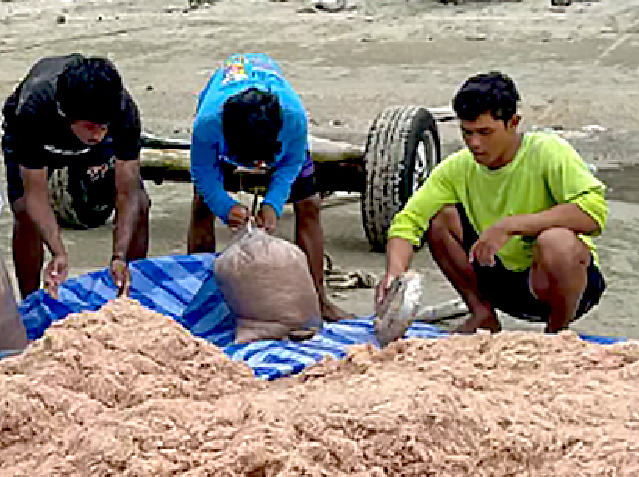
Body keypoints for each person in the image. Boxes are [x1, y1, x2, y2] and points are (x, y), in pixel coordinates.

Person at [377, 71, 607, 333]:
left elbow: (593, 212)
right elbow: (408, 222)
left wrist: (512, 225)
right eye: (467, 133)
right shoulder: (457, 168)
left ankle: (556, 334)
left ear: (513, 122)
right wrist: (394, 274)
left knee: (556, 241)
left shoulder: (549, 152)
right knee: (440, 218)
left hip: (559, 282)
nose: (475, 143)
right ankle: (482, 313)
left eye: (485, 132)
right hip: (498, 275)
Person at [187, 52, 344, 322]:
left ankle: (318, 297)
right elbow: (203, 172)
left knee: (309, 205)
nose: (256, 166)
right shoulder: (209, 124)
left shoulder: (293, 118)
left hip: (280, 141)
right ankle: (205, 296)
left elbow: (291, 163)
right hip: (223, 131)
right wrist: (226, 208)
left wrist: (273, 204)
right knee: (202, 205)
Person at [1, 54, 151, 298]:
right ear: (66, 114)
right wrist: (58, 252)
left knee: (141, 204)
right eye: (91, 127)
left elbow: (127, 191)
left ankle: (128, 293)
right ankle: (30, 301)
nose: (98, 135)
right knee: (24, 213)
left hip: (87, 132)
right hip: (42, 136)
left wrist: (119, 255)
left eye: (104, 127)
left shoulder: (123, 111)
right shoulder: (33, 108)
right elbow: (35, 194)